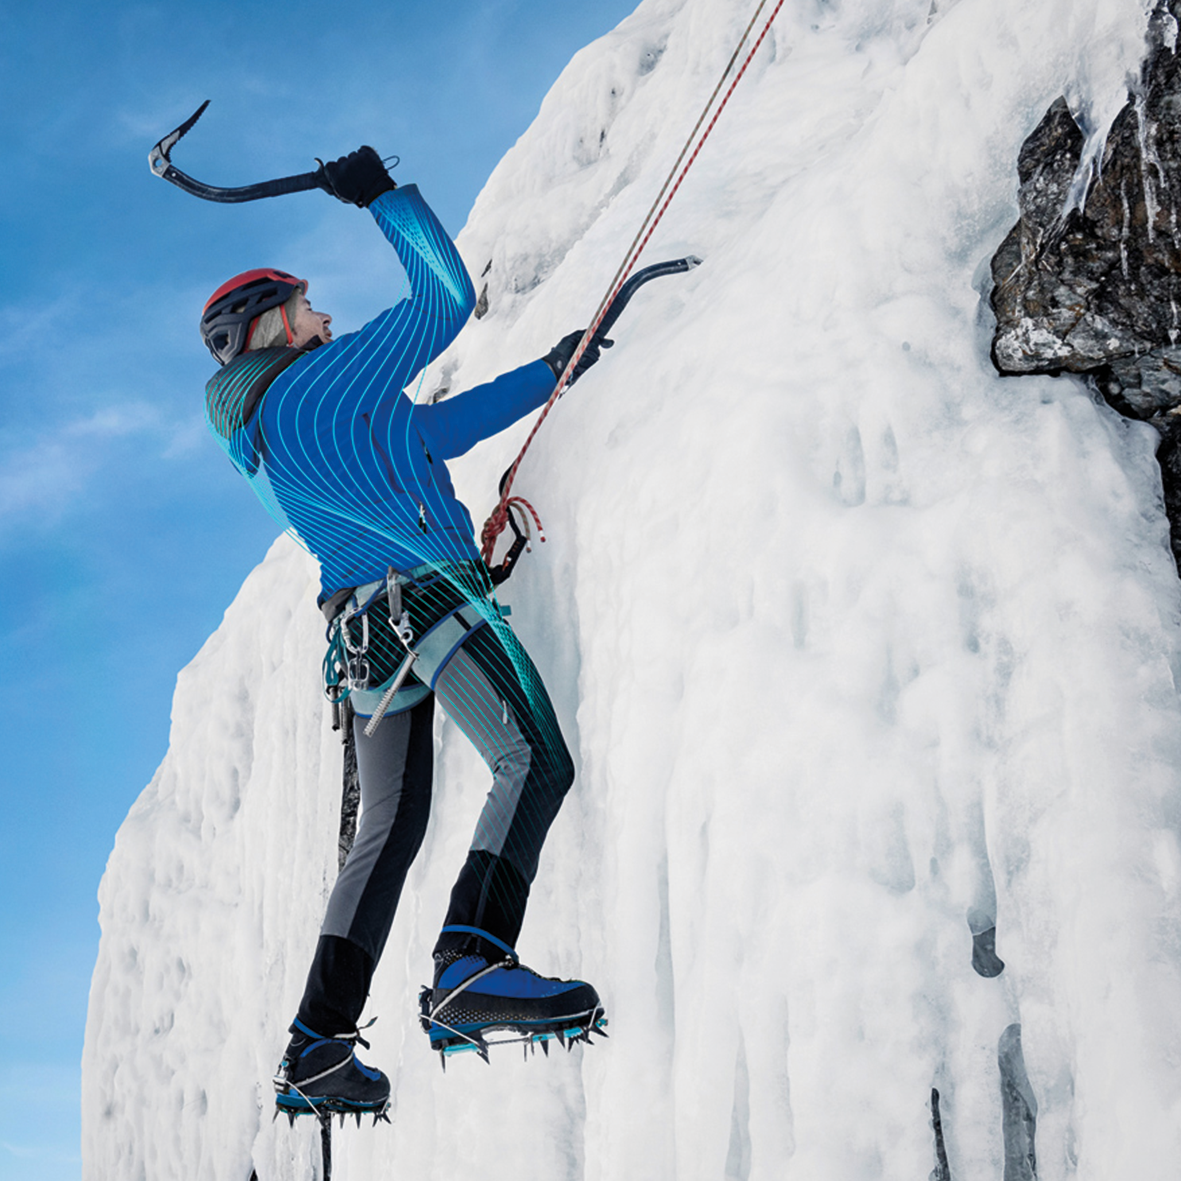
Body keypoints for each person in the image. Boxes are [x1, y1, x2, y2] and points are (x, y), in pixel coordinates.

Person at [200, 148, 606, 1116]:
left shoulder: (290, 425)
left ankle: (315, 1044)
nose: (327, 318)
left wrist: (549, 372)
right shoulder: (319, 382)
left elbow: (437, 431)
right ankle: (470, 959)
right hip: (424, 601)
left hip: (363, 636)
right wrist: (382, 195)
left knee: (387, 832)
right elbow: (442, 301)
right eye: (307, 309)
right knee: (533, 760)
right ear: (270, 329)